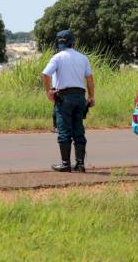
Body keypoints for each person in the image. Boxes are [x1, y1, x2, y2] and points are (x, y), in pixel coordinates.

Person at [42, 30, 95, 173]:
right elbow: (89, 79)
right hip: (80, 97)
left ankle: (65, 164)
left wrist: (49, 92)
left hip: (64, 98)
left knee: (64, 131)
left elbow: (45, 74)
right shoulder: (83, 58)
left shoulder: (57, 57)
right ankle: (80, 164)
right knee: (79, 130)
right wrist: (91, 97)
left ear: (59, 42)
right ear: (73, 42)